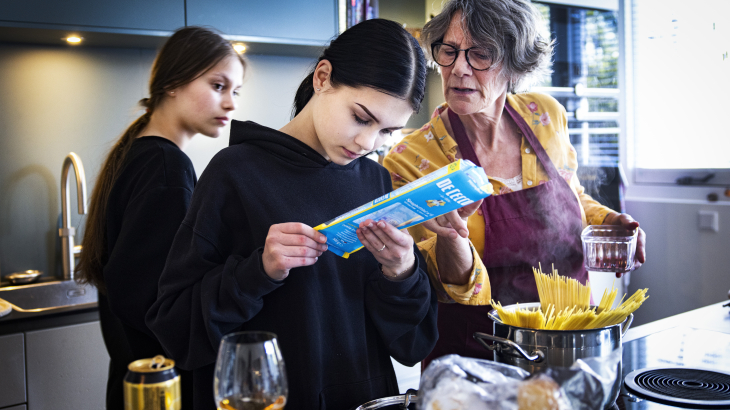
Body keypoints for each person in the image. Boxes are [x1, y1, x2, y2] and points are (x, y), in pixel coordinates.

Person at [146, 19, 438, 410]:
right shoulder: (234, 173)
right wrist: (258, 271)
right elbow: (176, 329)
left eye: (387, 131)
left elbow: (413, 343)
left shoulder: (376, 181)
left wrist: (401, 272)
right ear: (322, 77)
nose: (368, 142)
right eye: (361, 117)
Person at [383, 0, 647, 369]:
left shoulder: (544, 115)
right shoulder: (411, 159)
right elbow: (442, 284)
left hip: (569, 343)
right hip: (474, 355)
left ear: (515, 64)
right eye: (449, 51)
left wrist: (606, 220)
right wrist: (452, 235)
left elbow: (572, 195)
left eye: (480, 54)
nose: (458, 69)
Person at [75, 26, 244, 410]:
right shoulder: (166, 167)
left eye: (235, 91)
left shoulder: (138, 154)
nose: (231, 103)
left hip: (137, 382)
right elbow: (161, 305)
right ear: (173, 82)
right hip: (161, 390)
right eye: (219, 85)